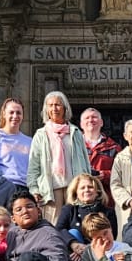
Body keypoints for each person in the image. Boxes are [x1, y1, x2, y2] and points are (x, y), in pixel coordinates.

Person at [27, 90, 88, 222]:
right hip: (51, 190)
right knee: (54, 227)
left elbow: (85, 162)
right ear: (46, 110)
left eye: (58, 105)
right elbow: (33, 166)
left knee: (77, 225)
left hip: (75, 188)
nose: (54, 108)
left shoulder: (75, 132)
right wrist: (34, 189)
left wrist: (88, 184)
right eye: (51, 105)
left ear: (65, 108)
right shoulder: (41, 135)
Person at [55, 172, 115, 244]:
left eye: (90, 187)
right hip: (74, 251)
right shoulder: (69, 209)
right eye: (82, 188)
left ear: (97, 191)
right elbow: (59, 230)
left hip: (99, 248)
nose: (86, 190)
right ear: (76, 193)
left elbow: (112, 235)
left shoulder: (108, 212)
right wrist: (73, 244)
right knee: (73, 232)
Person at [79, 107, 121, 203]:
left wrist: (104, 175)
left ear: (101, 122)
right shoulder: (73, 146)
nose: (90, 120)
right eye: (87, 118)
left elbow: (121, 173)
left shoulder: (114, 147)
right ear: (81, 124)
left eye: (94, 117)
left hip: (105, 198)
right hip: (80, 197)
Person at [0, 98, 32, 190]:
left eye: (18, 113)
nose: (15, 116)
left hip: (24, 189)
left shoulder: (30, 141)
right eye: (11, 112)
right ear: (4, 114)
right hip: (1, 186)